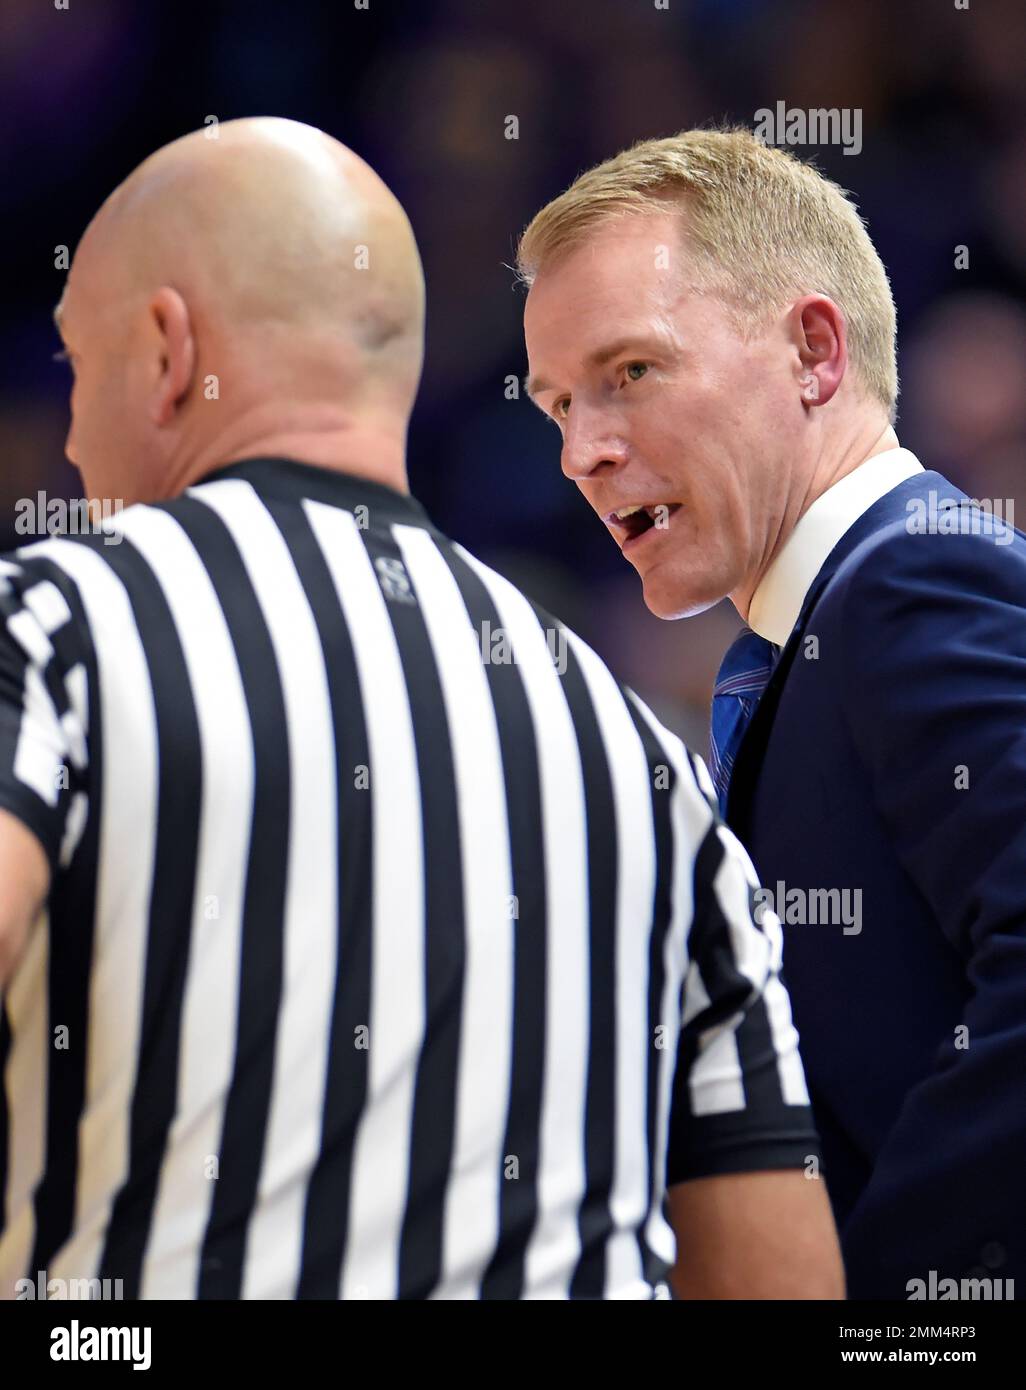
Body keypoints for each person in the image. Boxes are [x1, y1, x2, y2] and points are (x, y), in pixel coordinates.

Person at [0, 118, 841, 1300]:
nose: (74, 445)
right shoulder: (652, 768)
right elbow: (783, 1289)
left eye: (79, 372)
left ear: (164, 349)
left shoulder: (49, 626)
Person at [518, 125, 1026, 1299]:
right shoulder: (823, 629)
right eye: (554, 409)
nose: (581, 454)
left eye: (630, 373)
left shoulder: (913, 580)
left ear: (812, 349)